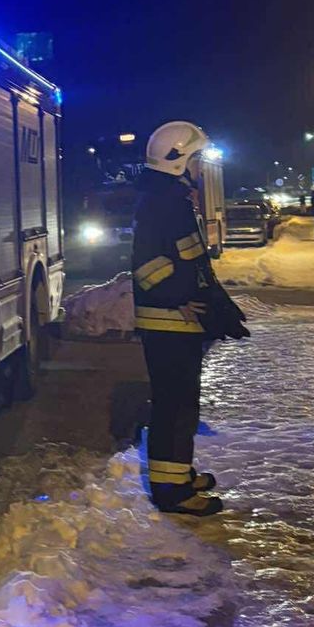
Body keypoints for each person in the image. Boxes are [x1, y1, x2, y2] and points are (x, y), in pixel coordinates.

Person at [132, 121, 250, 518]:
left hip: (178, 321)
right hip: (168, 322)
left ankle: (178, 476)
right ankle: (171, 491)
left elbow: (192, 264)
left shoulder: (170, 199)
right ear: (178, 160)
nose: (201, 165)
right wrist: (179, 299)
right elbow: (147, 268)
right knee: (174, 407)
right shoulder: (162, 204)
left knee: (182, 405)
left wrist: (217, 306)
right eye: (197, 158)